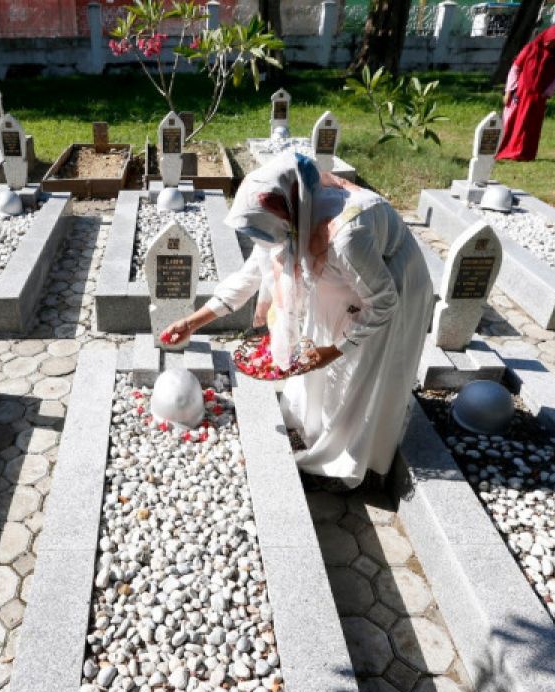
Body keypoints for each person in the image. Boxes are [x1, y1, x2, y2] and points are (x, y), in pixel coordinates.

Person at [161, 153, 435, 491]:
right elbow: (249, 277)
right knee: (320, 368)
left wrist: (336, 350)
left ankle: (349, 464)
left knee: (361, 377)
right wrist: (191, 323)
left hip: (392, 286)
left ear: (286, 209)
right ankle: (315, 431)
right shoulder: (290, 222)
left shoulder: (346, 234)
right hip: (339, 286)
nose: (260, 239)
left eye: (259, 230)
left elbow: (383, 302)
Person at [496, 25, 555, 162]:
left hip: (538, 97)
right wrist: (508, 91)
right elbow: (516, 68)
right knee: (512, 122)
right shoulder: (530, 49)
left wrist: (546, 93)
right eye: (551, 40)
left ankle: (524, 153)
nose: (551, 44)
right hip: (521, 94)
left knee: (530, 127)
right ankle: (507, 150)